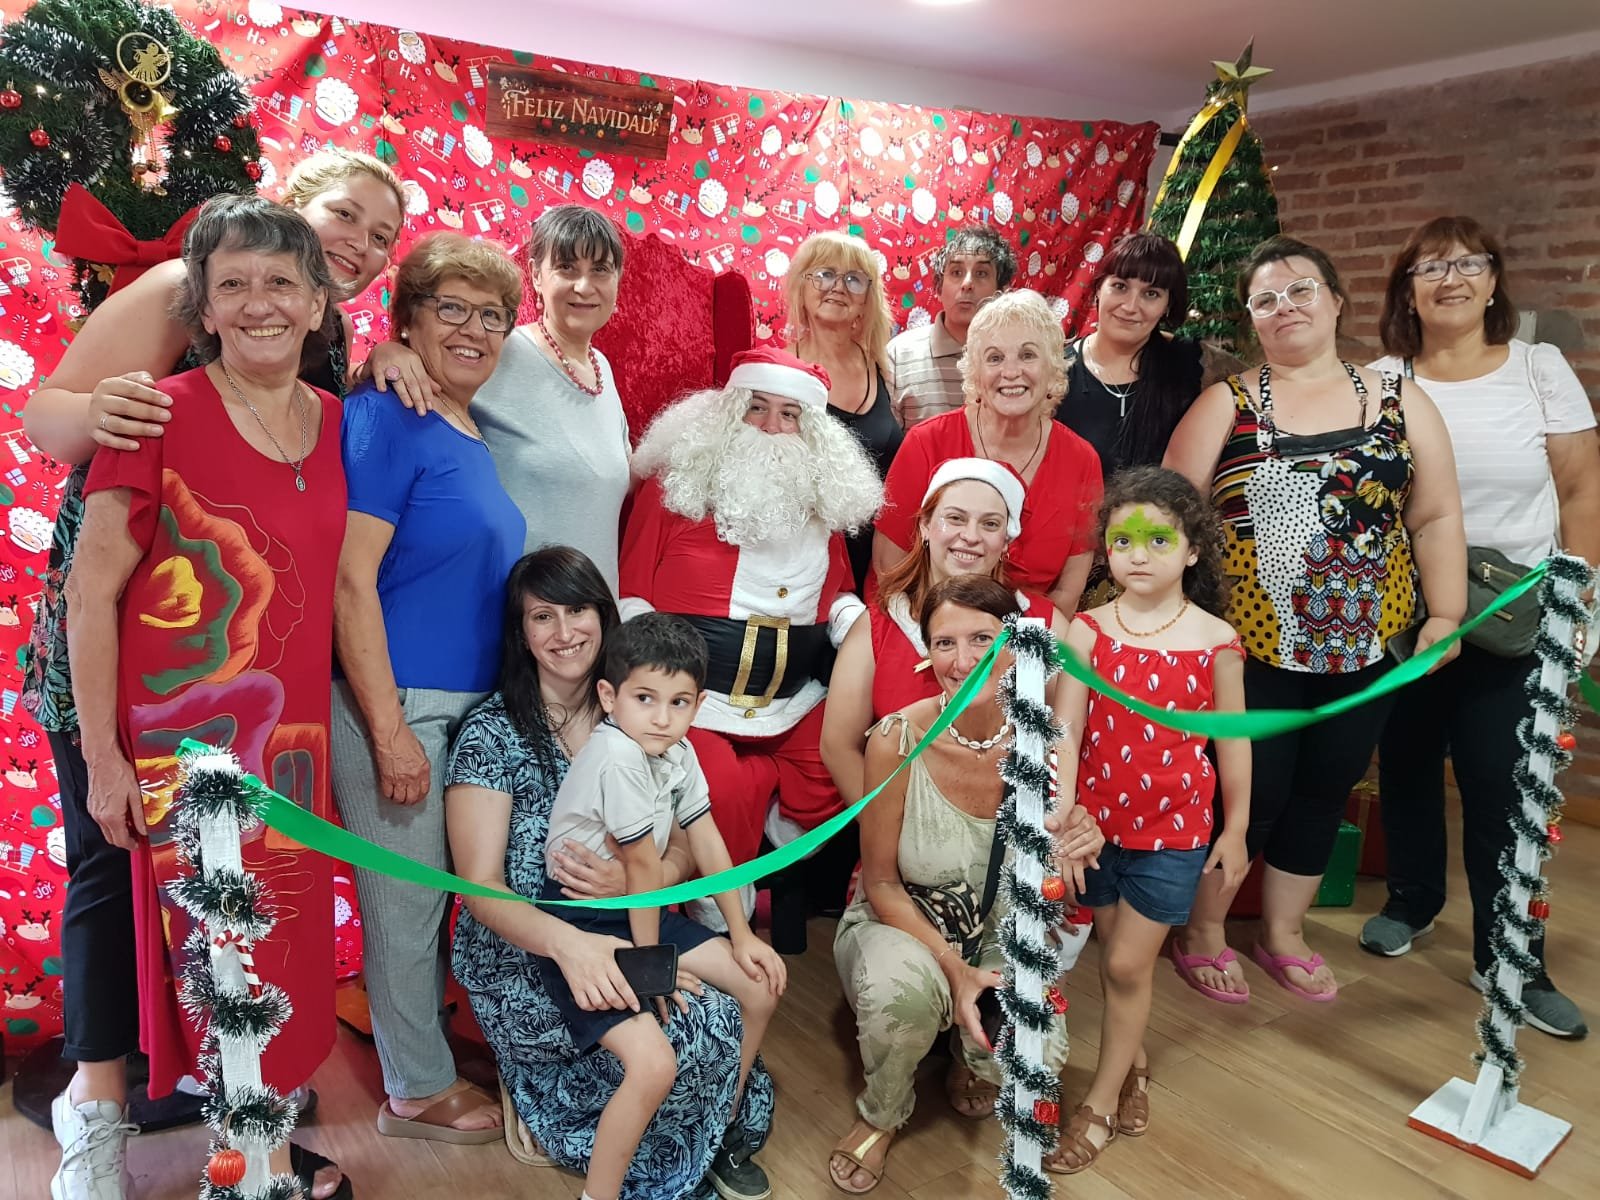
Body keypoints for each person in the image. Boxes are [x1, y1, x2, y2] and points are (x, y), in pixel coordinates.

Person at [27, 150, 400, 1200]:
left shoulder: (336, 394)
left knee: (259, 935)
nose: (359, 243)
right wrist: (109, 756)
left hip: (272, 727)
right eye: (345, 215)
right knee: (129, 890)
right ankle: (102, 1118)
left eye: (381, 234)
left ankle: (250, 1142)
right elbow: (49, 424)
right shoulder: (166, 361)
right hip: (144, 695)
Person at [1163, 235, 1467, 1002]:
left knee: (1327, 788)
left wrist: (1446, 614)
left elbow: (1434, 514)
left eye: (1301, 289)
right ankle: (1202, 931)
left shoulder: (1400, 400)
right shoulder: (1225, 404)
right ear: (1251, 319)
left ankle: (1283, 933)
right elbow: (1168, 520)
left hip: (1369, 644)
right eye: (1265, 298)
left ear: (1335, 300)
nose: (1285, 306)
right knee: (1249, 793)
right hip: (1249, 647)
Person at [446, 547, 775, 1200]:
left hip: (633, 913)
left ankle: (715, 1134)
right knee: (677, 1035)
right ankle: (633, 1166)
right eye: (543, 616)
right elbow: (482, 890)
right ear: (521, 631)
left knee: (740, 996)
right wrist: (574, 945)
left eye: (578, 611)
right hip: (532, 943)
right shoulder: (492, 734)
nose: (564, 631)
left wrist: (636, 886)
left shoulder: (640, 707)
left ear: (604, 616)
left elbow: (683, 847)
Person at [1361, 216, 1600, 1038]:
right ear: (1408, 291)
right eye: (1430, 268)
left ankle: (1512, 958)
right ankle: (1412, 900)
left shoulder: (1538, 368)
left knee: (1503, 783)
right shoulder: (1383, 379)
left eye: (1468, 264)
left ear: (1495, 280)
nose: (1451, 279)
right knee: (1407, 761)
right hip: (1408, 613)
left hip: (1513, 613)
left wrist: (1579, 598)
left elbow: (1582, 490)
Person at [331, 233, 526, 1143]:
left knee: (444, 898)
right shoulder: (388, 414)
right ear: (407, 319)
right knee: (404, 905)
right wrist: (387, 730)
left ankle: (430, 1049)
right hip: (400, 700)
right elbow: (350, 579)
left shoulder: (465, 426)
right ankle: (413, 1089)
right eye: (450, 308)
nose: (473, 329)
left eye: (492, 316)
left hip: (464, 706)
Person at [829, 575, 1105, 1194]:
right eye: (945, 642)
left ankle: (971, 1057)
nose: (964, 660)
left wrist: (1080, 840)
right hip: (903, 923)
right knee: (900, 999)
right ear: (926, 653)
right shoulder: (895, 738)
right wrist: (955, 970)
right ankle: (882, 1112)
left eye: (983, 638)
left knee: (1037, 1052)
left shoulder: (1044, 743)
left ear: (1015, 644)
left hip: (1001, 933)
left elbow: (1055, 873)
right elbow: (881, 884)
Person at [532, 612, 785, 1200]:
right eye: (645, 698)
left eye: (679, 703)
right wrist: (649, 971)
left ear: (699, 705)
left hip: (639, 908)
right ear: (609, 697)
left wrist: (742, 933)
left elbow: (707, 841)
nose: (662, 717)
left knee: (759, 986)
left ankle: (718, 1130)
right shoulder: (616, 753)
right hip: (581, 921)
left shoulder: (680, 752)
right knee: (653, 1066)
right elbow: (644, 869)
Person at [1042, 467, 1248, 1173]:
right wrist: (1062, 812)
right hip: (1095, 832)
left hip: (1176, 834)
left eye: (1158, 539)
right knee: (1113, 958)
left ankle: (1099, 1106)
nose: (1138, 553)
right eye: (1123, 539)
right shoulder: (1088, 631)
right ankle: (1132, 1061)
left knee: (1130, 963)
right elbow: (1067, 729)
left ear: (1193, 550)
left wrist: (1236, 829)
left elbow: (1233, 742)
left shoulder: (1217, 640)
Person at [617, 347, 883, 866]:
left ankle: (768, 859)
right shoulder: (674, 484)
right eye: (756, 407)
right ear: (729, 412)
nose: (770, 426)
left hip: (793, 702)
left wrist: (863, 628)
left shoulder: (820, 501)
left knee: (848, 760)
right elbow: (632, 594)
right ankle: (721, 902)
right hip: (696, 701)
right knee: (720, 788)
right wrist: (650, 690)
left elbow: (839, 595)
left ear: (810, 430)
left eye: (789, 414)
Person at [367, 204, 632, 591]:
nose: (584, 286)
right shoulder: (498, 350)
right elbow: (416, 371)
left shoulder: (602, 369)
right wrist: (389, 352)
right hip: (514, 606)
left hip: (590, 610)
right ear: (536, 275)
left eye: (600, 270)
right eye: (566, 268)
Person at [820, 457, 1070, 807]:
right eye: (955, 518)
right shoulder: (878, 625)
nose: (970, 536)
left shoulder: (1042, 623)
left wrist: (1056, 817)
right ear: (925, 526)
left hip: (1012, 828)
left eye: (990, 524)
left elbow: (1070, 736)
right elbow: (838, 746)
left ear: (1006, 539)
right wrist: (888, 827)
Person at [874, 289, 1103, 616]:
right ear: (975, 372)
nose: (1011, 372)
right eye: (995, 358)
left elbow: (1068, 592)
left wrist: (1009, 643)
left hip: (1030, 635)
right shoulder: (926, 443)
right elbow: (888, 568)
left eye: (1027, 355)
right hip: (924, 627)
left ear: (1053, 367)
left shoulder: (1081, 460)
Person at [786, 231, 903, 592]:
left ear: (867, 298)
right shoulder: (780, 371)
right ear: (801, 286)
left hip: (879, 563)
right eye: (824, 274)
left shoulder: (883, 367)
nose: (838, 287)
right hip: (805, 568)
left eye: (854, 279)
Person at [1058, 232, 1203, 482]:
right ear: (1098, 289)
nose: (1130, 306)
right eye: (1120, 287)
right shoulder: (1057, 373)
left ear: (1167, 305)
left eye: (1151, 293)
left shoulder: (1191, 366)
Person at [886, 225, 1017, 429]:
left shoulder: (1017, 356)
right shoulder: (899, 355)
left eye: (981, 273)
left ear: (1001, 291)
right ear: (939, 288)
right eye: (956, 272)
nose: (967, 283)